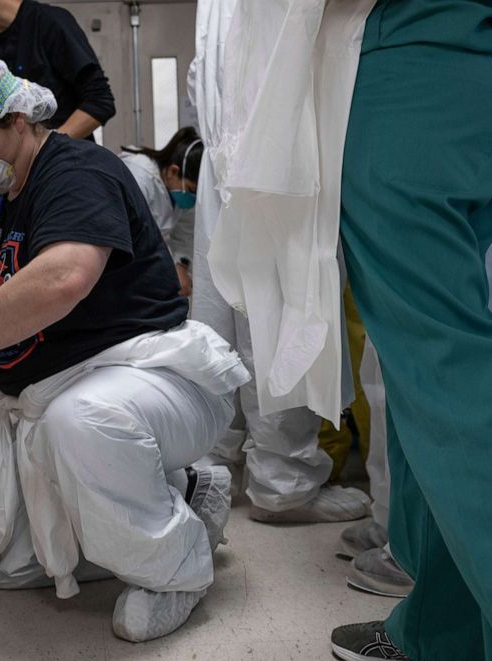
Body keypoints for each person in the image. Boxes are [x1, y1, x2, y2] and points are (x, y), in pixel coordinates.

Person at [0, 53, 250, 642]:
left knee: (81, 421)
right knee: (5, 567)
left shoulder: (78, 171)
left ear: (18, 119)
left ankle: (175, 573)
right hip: (60, 393)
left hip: (150, 380)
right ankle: (183, 492)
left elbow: (63, 280)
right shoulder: (2, 205)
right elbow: (7, 313)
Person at [328, 1, 492, 659]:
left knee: (452, 384)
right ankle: (439, 629)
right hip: (471, 78)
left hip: (402, 79)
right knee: (425, 378)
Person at [187, 0, 372, 525]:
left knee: (219, 319)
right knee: (280, 318)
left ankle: (210, 461)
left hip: (223, 157)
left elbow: (200, 76)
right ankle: (281, 483)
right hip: (279, 152)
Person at [0, 0, 116, 199]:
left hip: (67, 174)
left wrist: (44, 154)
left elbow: (100, 101)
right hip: (13, 187)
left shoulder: (49, 24)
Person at [119, 127, 202, 296]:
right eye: (192, 189)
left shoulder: (181, 193)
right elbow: (129, 239)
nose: (192, 197)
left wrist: (181, 266)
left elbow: (184, 234)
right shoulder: (140, 180)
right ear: (173, 171)